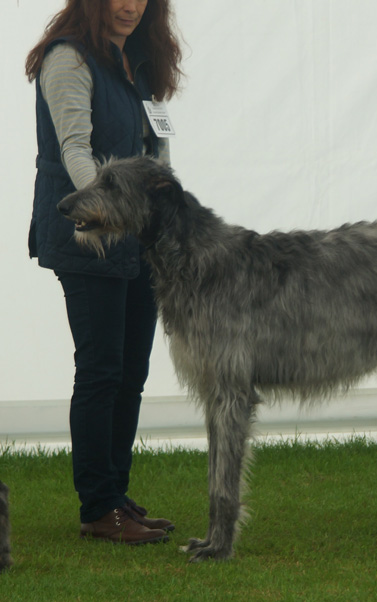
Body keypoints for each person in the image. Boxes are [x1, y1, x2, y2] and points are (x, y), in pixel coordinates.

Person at [25, 0, 182, 545]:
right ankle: (97, 507)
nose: (129, 5)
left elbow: (152, 153)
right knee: (101, 370)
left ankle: (117, 496)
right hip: (88, 238)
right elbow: (76, 149)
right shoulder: (68, 59)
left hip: (138, 241)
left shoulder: (134, 63)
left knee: (131, 372)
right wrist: (107, 212)